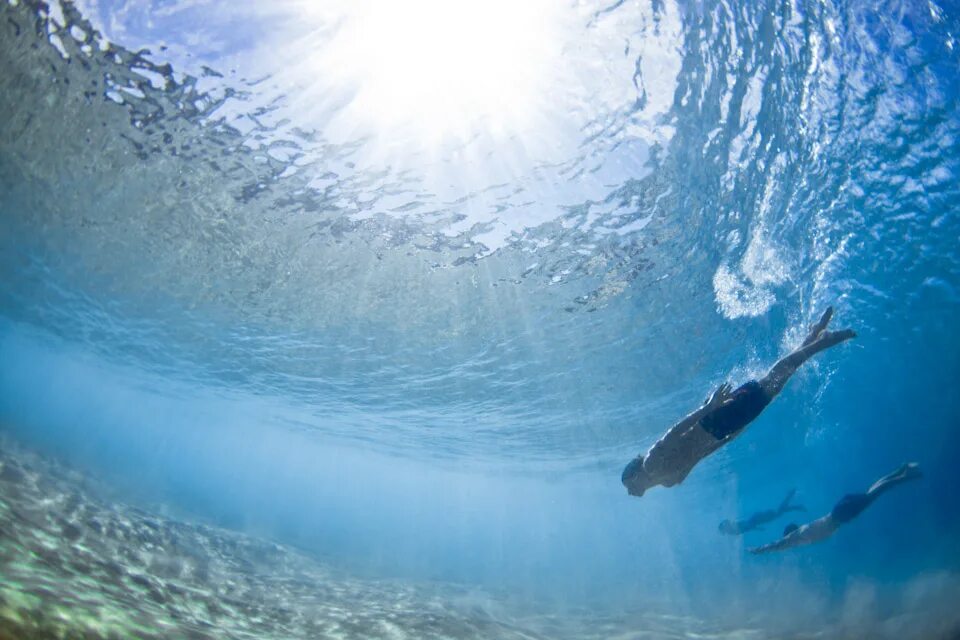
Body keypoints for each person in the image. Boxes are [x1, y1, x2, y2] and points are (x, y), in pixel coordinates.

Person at [621, 307, 855, 497]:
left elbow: (675, 431)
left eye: (628, 486)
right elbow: (700, 455)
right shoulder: (669, 482)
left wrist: (709, 407)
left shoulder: (651, 464)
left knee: (769, 385)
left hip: (712, 420)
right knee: (772, 389)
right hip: (722, 430)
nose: (630, 493)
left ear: (634, 474)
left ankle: (822, 342)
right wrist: (727, 440)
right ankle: (813, 336)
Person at [749, 463, 922, 554]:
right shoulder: (802, 533)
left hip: (841, 514)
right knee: (871, 492)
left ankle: (905, 475)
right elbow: (781, 544)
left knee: (874, 494)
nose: (789, 544)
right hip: (838, 510)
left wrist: (759, 550)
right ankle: (900, 470)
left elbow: (778, 545)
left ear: (790, 534)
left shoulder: (796, 536)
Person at [719, 488, 806, 535]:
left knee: (779, 512)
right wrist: (756, 528)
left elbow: (747, 525)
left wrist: (756, 528)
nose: (725, 532)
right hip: (757, 519)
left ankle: (790, 495)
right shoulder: (733, 530)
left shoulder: (734, 528)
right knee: (779, 513)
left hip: (758, 519)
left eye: (724, 530)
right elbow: (746, 526)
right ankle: (795, 503)